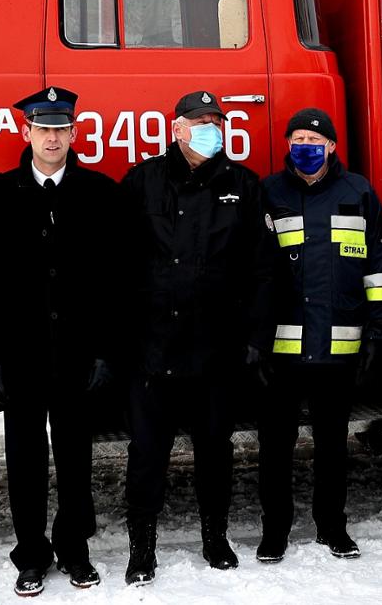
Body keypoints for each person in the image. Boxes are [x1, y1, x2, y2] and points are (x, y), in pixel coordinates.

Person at [0, 86, 125, 597]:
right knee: (25, 459)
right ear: (26, 133)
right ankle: (32, 555)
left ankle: (75, 550)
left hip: (78, 354)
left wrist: (106, 350)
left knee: (77, 457)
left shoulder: (100, 193)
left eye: (61, 129)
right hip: (21, 355)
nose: (53, 137)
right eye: (44, 129)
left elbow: (112, 282)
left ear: (74, 133)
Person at [120, 90, 278, 584]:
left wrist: (256, 335)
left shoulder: (243, 184)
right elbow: (115, 265)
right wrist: (121, 339)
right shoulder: (143, 182)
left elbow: (263, 267)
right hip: (153, 348)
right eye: (200, 120)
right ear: (177, 129)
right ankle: (141, 547)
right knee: (147, 454)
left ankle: (216, 537)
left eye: (216, 120)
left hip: (218, 348)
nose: (211, 127)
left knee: (216, 449)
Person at [255, 108, 382, 562]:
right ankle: (274, 531)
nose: (306, 146)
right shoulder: (269, 193)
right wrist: (255, 340)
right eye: (298, 138)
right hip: (283, 351)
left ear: (332, 146)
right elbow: (255, 270)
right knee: (275, 447)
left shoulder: (358, 192)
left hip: (339, 346)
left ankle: (333, 527)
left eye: (315, 139)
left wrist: (376, 330)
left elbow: (377, 266)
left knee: (333, 446)